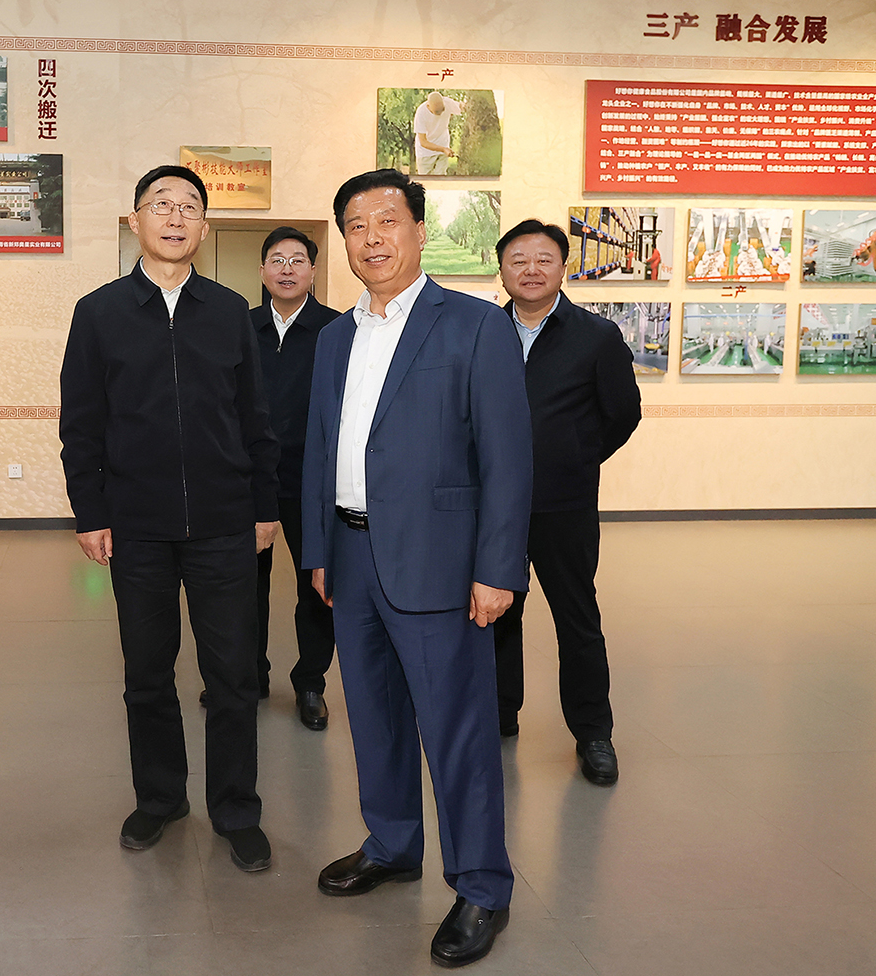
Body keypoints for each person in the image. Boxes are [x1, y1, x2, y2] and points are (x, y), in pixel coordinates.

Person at [303, 168, 531, 969]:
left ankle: (482, 885)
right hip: (352, 555)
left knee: (457, 731)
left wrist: (498, 569)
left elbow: (508, 460)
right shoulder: (334, 337)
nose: (372, 238)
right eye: (355, 225)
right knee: (374, 717)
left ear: (420, 230)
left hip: (440, 563)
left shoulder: (473, 325)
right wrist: (319, 552)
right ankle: (393, 843)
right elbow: (319, 449)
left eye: (387, 221)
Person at [60, 164, 280, 874]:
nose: (176, 216)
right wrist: (90, 511)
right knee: (147, 673)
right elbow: (81, 423)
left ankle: (236, 809)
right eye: (161, 204)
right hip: (138, 525)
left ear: (204, 228)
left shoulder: (230, 312)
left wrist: (265, 507)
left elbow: (256, 419)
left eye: (190, 206)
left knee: (233, 676)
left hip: (223, 522)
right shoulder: (98, 313)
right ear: (136, 222)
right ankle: (159, 798)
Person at [493, 219, 641, 787]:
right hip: (493, 507)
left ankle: (594, 733)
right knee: (494, 613)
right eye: (518, 260)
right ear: (502, 269)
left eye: (544, 259)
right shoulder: (483, 331)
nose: (530, 270)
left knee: (577, 619)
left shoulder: (595, 336)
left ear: (563, 267)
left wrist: (576, 457)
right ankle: (499, 713)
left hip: (564, 505)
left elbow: (622, 413)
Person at [250, 226, 341, 731]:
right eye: (277, 260)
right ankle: (249, 675)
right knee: (245, 586)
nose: (287, 269)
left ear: (313, 270)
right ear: (263, 270)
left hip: (315, 481)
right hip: (250, 480)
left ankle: (310, 683)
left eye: (298, 260)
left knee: (316, 587)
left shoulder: (337, 329)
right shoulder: (241, 328)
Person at [412, 91, 458, 176]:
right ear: (428, 106)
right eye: (437, 112)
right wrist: (443, 149)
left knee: (441, 178)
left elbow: (463, 106)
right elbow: (423, 142)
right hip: (425, 152)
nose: (440, 114)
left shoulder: (448, 103)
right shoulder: (421, 113)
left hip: (443, 144)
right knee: (425, 180)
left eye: (442, 110)